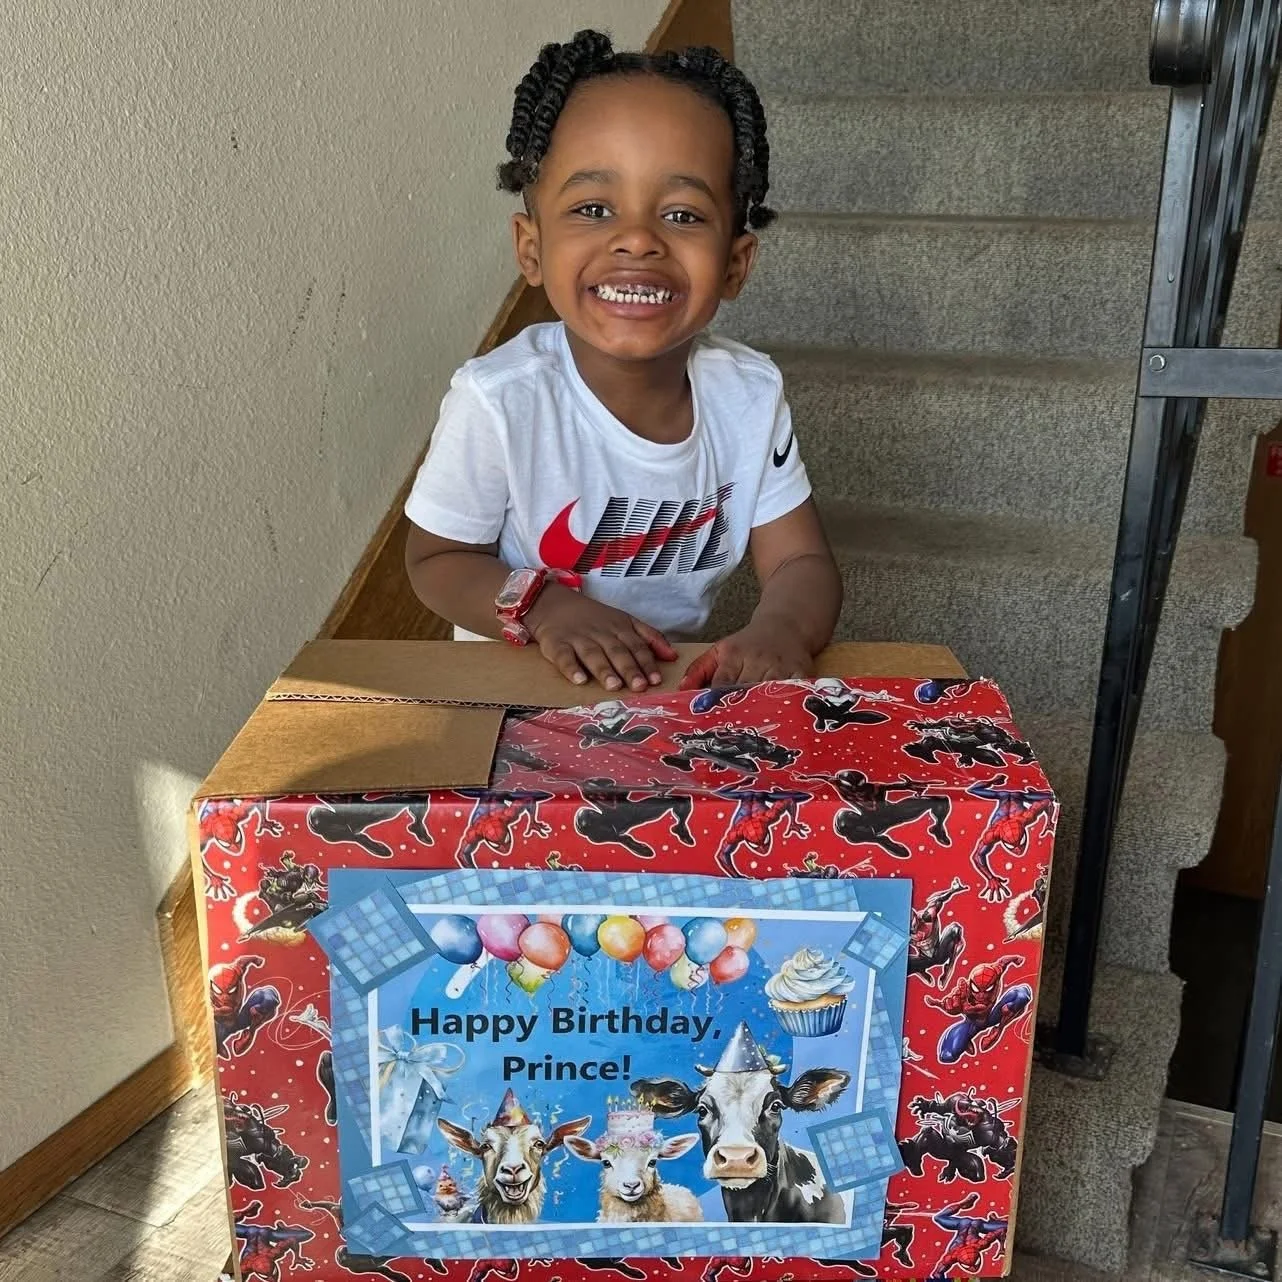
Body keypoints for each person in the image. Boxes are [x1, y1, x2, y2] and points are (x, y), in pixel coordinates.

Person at [404, 29, 841, 692]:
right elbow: (436, 559)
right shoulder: (500, 399)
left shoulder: (748, 395)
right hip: (516, 689)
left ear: (735, 263)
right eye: (593, 208)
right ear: (531, 248)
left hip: (658, 691)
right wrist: (545, 609)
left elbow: (801, 560)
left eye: (683, 215)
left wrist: (781, 629)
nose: (637, 239)